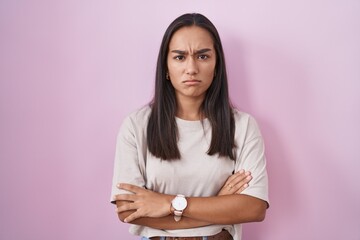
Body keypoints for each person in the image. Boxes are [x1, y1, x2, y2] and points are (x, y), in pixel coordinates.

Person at [111, 13, 269, 240]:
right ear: (166, 66)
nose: (191, 68)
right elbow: (128, 211)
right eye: (179, 57)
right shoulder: (136, 126)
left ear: (217, 65)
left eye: (203, 56)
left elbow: (254, 208)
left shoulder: (243, 126)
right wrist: (219, 205)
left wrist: (168, 203)